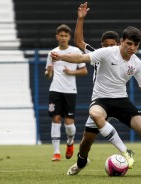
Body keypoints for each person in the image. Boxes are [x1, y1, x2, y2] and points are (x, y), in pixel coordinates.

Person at [51, 24, 141, 176]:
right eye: (129, 44)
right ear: (122, 41)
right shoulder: (106, 52)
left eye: (135, 45)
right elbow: (81, 57)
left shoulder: (136, 62)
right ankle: (88, 160)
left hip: (121, 101)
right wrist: (61, 56)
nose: (132, 48)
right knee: (88, 136)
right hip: (101, 100)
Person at [45, 24, 88, 161]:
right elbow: (47, 74)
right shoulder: (52, 53)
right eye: (61, 35)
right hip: (55, 90)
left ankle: (70, 142)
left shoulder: (75, 51)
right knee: (56, 118)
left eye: (65, 35)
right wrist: (49, 71)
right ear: (57, 36)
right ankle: (56, 152)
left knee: (69, 124)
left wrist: (71, 72)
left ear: (69, 37)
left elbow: (84, 71)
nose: (63, 38)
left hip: (70, 91)